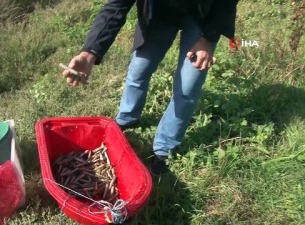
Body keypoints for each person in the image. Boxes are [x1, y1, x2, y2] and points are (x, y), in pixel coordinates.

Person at [62, 0, 239, 176]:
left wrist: (209, 38)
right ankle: (127, 119)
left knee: (187, 88)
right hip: (160, 14)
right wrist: (89, 53)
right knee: (138, 71)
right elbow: (116, 7)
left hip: (202, 17)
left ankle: (164, 149)